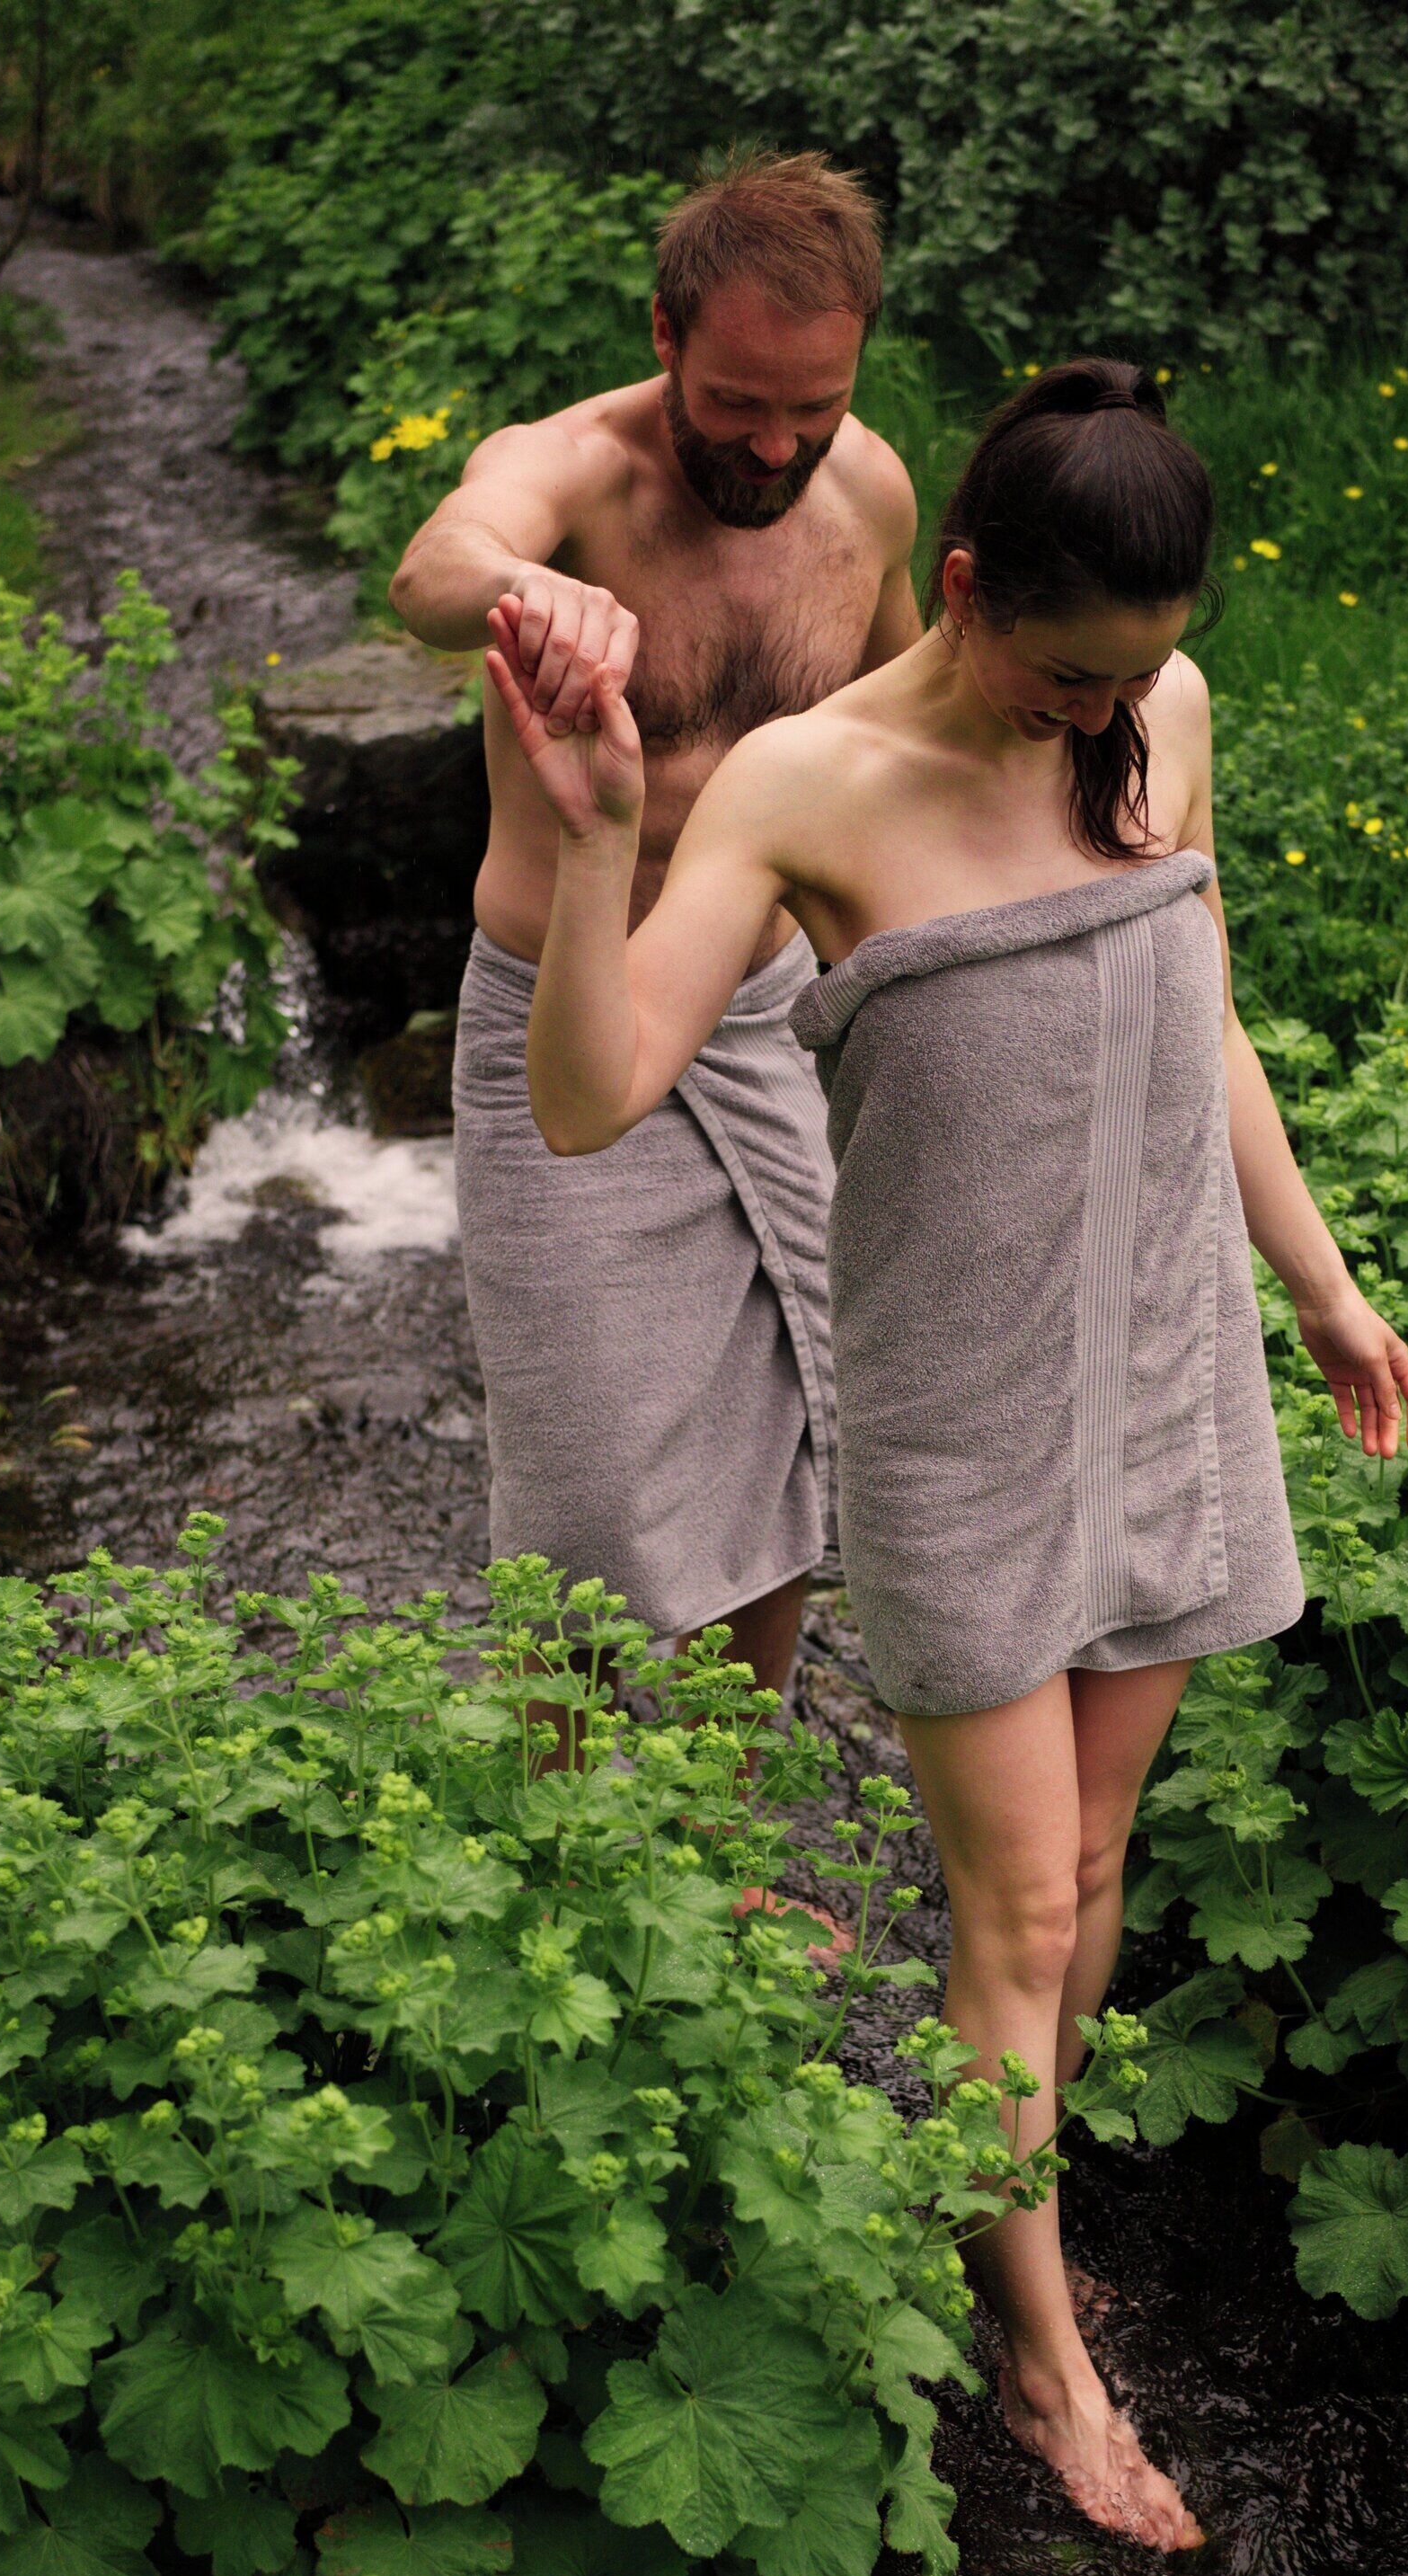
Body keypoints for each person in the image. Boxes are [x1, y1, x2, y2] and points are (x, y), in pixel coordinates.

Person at [486, 362, 1408, 2553]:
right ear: (972, 585)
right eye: (1066, 669)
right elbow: (586, 1099)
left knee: (1083, 1889)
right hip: (960, 1421)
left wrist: (1316, 1284)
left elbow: (1205, 1021)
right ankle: (1038, 2355)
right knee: (1009, 1900)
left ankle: (996, 2210)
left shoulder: (1147, 726)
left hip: (1162, 1373)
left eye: (1144, 671)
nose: (1097, 716)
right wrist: (607, 840)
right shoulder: (810, 788)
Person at [389, 153, 921, 1702]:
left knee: (779, 1424)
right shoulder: (569, 471)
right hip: (567, 1023)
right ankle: (565, 1858)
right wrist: (523, 591)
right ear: (666, 331)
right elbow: (435, 568)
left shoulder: (866, 492)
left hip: (761, 1015)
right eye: (739, 400)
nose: (772, 444)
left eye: (809, 407)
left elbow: (913, 727)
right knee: (585, 1485)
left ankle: (721, 1841)